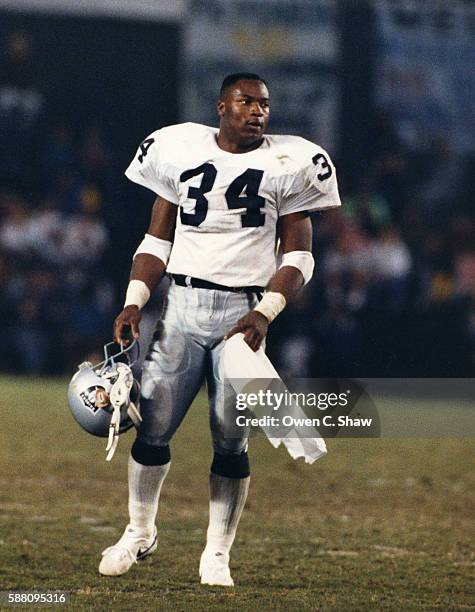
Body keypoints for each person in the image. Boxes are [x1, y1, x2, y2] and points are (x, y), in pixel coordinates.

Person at [98, 73, 341, 586]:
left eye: (265, 104)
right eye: (246, 101)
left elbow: (300, 255)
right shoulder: (178, 147)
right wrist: (132, 303)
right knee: (154, 426)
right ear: (221, 106)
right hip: (182, 307)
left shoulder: (293, 161)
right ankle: (139, 530)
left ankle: (217, 553)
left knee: (232, 441)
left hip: (245, 315)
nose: (258, 111)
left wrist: (266, 312)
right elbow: (155, 241)